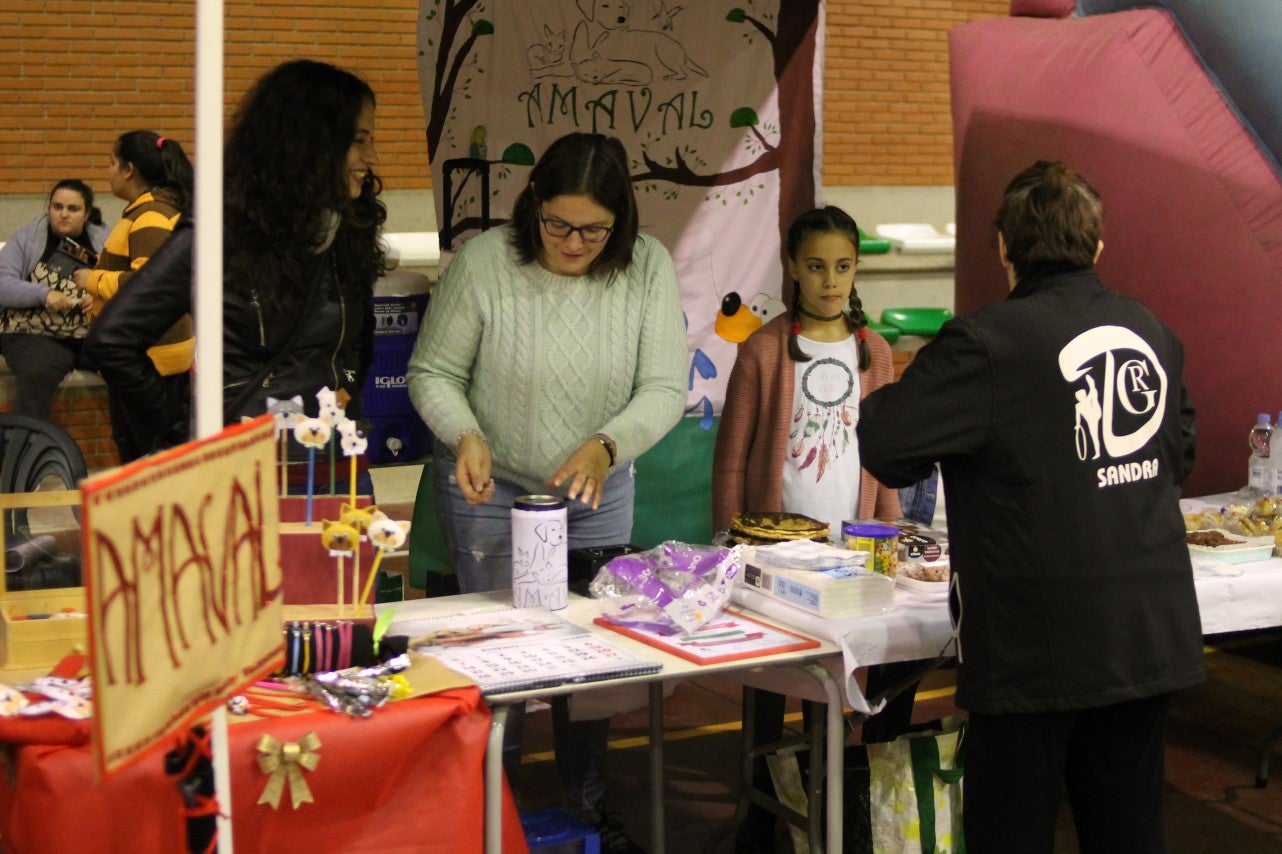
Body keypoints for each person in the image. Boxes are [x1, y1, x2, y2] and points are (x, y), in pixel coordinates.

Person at [857, 160, 1204, 852]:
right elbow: (1180, 455)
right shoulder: (1152, 332)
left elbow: (887, 441)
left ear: (1003, 247)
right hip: (1145, 632)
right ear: (1097, 245)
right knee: (1129, 832)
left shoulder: (988, 343)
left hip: (1036, 645)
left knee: (1011, 833)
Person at [406, 131, 687, 851]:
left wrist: (608, 445)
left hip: (597, 487)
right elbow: (433, 372)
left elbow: (663, 387)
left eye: (594, 230)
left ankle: (585, 812)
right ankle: (491, 817)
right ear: (532, 204)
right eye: (557, 224)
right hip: (491, 486)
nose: (573, 243)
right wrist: (465, 433)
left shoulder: (646, 266)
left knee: (589, 659)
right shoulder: (485, 261)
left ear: (620, 221)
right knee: (496, 659)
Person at [711, 205, 910, 852]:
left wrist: (892, 531)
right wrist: (729, 546)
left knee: (828, 688)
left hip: (851, 552)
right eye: (817, 266)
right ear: (793, 267)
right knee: (769, 684)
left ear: (856, 270)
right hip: (773, 556)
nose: (830, 281)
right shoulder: (764, 350)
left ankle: (823, 802)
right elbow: (731, 457)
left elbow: (885, 455)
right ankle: (759, 809)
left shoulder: (874, 351)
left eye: (843, 267)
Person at [84, 59, 385, 476]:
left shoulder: (349, 227)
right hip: (244, 476)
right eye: (358, 141)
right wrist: (181, 432)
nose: (371, 157)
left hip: (335, 468)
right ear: (310, 143)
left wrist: (347, 395)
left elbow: (358, 341)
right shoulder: (222, 232)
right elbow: (113, 338)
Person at [73, 130, 194, 462]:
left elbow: (149, 285)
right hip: (148, 356)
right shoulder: (144, 211)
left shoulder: (150, 216)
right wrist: (101, 301)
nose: (107, 171)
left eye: (112, 163)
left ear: (129, 170)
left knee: (145, 458)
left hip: (150, 361)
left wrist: (93, 280)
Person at [0, 179, 108, 418]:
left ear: (87, 213)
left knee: (127, 362)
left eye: (73, 209)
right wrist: (44, 294)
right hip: (33, 334)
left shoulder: (105, 240)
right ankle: (23, 440)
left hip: (88, 333)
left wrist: (101, 297)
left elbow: (124, 281)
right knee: (37, 372)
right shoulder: (28, 238)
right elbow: (2, 283)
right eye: (57, 207)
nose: (63, 214)